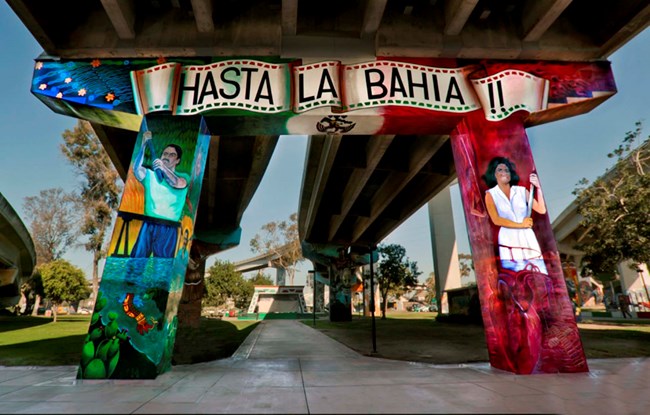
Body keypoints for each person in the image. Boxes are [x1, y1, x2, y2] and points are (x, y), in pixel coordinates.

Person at [482, 156, 547, 274]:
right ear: (494, 174)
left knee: (539, 275)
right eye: (500, 170)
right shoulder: (491, 194)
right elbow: (496, 220)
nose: (504, 173)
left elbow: (541, 209)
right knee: (515, 280)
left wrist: (538, 188)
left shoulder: (522, 191)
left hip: (528, 240)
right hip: (509, 242)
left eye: (506, 170)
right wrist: (520, 225)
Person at [130, 130, 189, 258]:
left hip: (168, 228)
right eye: (165, 153)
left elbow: (176, 183)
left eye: (172, 155)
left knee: (161, 266)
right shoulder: (150, 175)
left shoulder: (182, 179)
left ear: (177, 160)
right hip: (148, 224)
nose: (167, 156)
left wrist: (164, 169)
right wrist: (144, 144)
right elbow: (136, 169)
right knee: (137, 261)